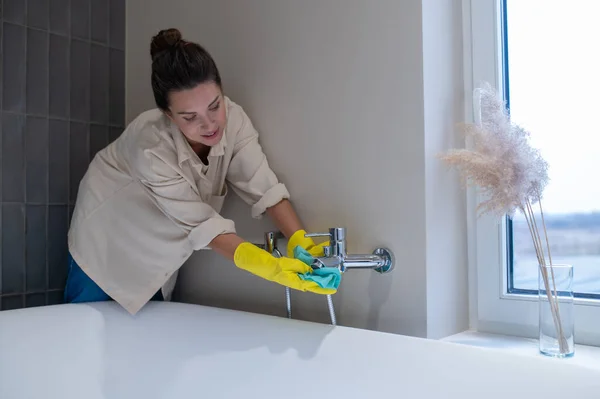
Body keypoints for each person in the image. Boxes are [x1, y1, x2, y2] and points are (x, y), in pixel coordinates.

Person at [64, 28, 334, 315]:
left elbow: (264, 188)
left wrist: (301, 240)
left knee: (145, 340)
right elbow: (205, 228)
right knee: (85, 332)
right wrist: (272, 269)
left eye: (214, 106)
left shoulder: (235, 121)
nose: (209, 125)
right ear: (168, 115)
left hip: (160, 246)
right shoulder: (150, 146)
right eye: (190, 117)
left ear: (221, 91)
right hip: (108, 234)